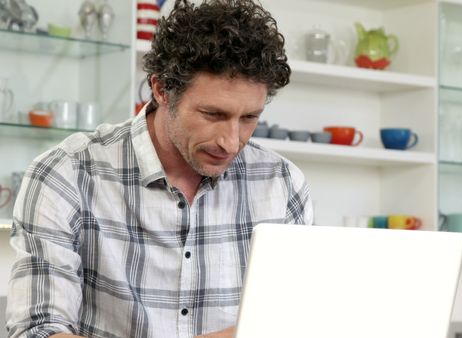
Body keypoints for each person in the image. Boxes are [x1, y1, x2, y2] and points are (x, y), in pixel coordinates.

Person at [5, 0, 313, 337]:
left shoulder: (283, 184)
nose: (230, 141)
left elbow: (296, 319)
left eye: (249, 118)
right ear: (161, 89)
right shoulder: (66, 174)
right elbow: (38, 330)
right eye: (213, 114)